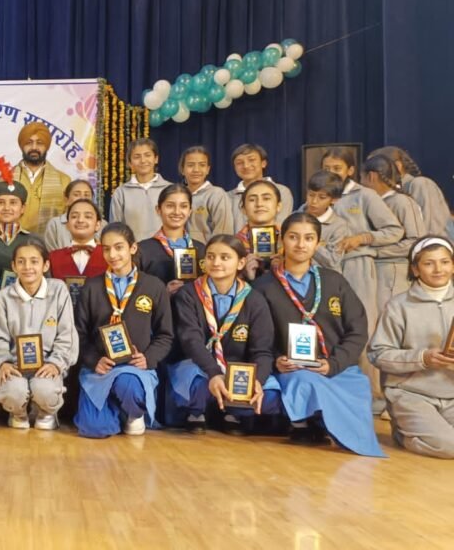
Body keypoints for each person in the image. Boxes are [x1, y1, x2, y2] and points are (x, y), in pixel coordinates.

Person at [253, 213, 383, 456]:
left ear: (318, 243)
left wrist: (333, 364)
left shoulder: (335, 282)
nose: (301, 244)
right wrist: (276, 360)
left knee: (359, 384)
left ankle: (327, 425)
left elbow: (357, 330)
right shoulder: (263, 286)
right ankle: (303, 424)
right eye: (293, 237)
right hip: (292, 368)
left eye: (308, 238)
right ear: (282, 240)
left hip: (333, 367)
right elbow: (257, 336)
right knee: (303, 380)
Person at [169, 235, 279, 434]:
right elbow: (191, 341)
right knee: (198, 383)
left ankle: (233, 413)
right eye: (210, 257)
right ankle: (197, 413)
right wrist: (214, 373)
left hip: (238, 369)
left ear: (241, 263)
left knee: (271, 395)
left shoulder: (254, 299)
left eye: (225, 257)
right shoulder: (188, 294)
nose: (216, 262)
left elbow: (262, 350)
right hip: (199, 365)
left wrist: (258, 380)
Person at [321, 147, 402, 410]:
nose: (332, 173)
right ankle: (338, 394)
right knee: (332, 329)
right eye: (327, 168)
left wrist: (363, 238)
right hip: (327, 271)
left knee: (362, 330)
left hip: (358, 267)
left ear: (350, 170)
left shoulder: (364, 195)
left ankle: (373, 397)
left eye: (337, 168)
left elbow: (394, 230)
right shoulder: (320, 196)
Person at [73, 223, 172, 437]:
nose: (112, 255)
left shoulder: (153, 286)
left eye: (119, 247)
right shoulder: (91, 286)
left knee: (129, 384)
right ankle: (114, 411)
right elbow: (79, 333)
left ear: (132, 248)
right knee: (94, 429)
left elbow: (165, 335)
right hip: (100, 370)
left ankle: (133, 413)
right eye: (106, 249)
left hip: (134, 368)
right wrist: (94, 360)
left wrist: (148, 358)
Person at [369, 236, 454, 458]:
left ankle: (426, 430)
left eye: (445, 262)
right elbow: (377, 354)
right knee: (450, 446)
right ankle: (403, 433)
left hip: (451, 393)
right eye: (429, 263)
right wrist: (422, 358)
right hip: (411, 394)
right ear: (415, 269)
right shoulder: (398, 306)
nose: (438, 269)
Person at [0, 237, 78, 430]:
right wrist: (2, 362)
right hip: (15, 364)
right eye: (21, 262)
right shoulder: (3, 297)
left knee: (44, 390)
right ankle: (18, 413)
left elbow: (66, 334)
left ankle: (46, 412)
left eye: (34, 261)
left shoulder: (58, 290)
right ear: (14, 266)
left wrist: (56, 363)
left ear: (45, 265)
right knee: (14, 391)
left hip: (47, 364)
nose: (27, 267)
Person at [360, 154, 426, 310]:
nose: (360, 184)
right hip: (374, 273)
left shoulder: (402, 202)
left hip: (394, 276)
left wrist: (375, 251)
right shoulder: (371, 203)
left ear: (371, 176)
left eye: (361, 178)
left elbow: (415, 243)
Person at [137, 184, 207, 294]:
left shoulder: (201, 249)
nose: (177, 212)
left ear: (190, 211)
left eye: (183, 206)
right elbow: (136, 291)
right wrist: (163, 294)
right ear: (158, 210)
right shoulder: (142, 250)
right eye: (170, 206)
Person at [369, 146, 450, 237]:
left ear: (398, 166)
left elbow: (432, 226)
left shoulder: (420, 184)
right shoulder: (388, 193)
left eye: (375, 167)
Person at [10, 122, 72, 235]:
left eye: (39, 143)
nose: (34, 147)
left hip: (49, 241)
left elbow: (68, 220)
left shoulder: (63, 180)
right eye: (29, 143)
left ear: (47, 147)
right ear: (22, 146)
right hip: (13, 241)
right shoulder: (6, 177)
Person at [107, 138, 172, 240]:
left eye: (147, 155)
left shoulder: (170, 189)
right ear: (130, 163)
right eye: (137, 157)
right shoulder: (121, 192)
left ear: (156, 159)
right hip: (133, 247)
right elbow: (115, 229)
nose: (143, 160)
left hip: (166, 247)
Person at [227, 143, 294, 233]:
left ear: (263, 163)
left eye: (251, 160)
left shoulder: (282, 191)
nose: (246, 166)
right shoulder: (227, 197)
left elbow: (281, 227)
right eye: (239, 163)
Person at [179, 146, 233, 244]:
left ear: (208, 169)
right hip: (178, 250)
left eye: (202, 165)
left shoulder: (217, 194)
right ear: (182, 169)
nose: (196, 169)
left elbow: (223, 231)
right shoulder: (177, 195)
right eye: (190, 165)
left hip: (206, 251)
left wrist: (214, 251)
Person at [303, 171, 352, 272]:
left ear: (334, 200)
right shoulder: (295, 217)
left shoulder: (339, 225)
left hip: (325, 277)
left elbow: (333, 261)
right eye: (311, 195)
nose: (314, 201)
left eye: (322, 197)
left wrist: (311, 242)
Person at [236, 180, 283, 281]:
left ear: (278, 206)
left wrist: (286, 268)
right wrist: (244, 274)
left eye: (266, 198)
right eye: (252, 200)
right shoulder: (233, 246)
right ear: (243, 209)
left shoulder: (290, 241)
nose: (259, 204)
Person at [49, 199, 106, 280]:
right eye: (74, 216)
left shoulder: (108, 254)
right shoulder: (53, 257)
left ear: (97, 225)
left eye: (88, 216)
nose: (80, 220)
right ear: (67, 225)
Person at [43, 180, 104, 251]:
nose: (82, 198)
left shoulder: (102, 224)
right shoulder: (55, 224)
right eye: (76, 195)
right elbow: (52, 253)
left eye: (86, 195)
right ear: (66, 199)